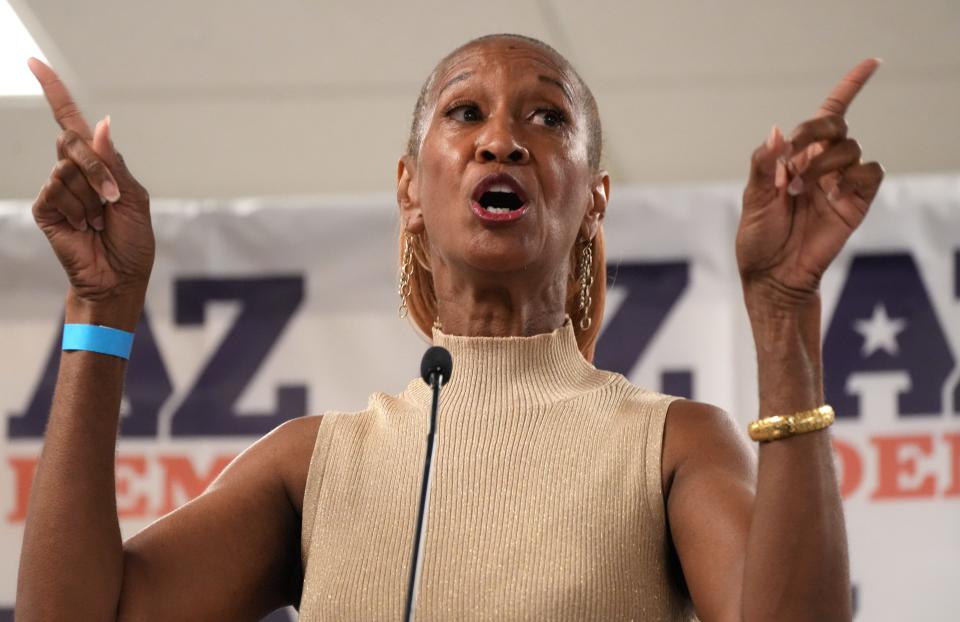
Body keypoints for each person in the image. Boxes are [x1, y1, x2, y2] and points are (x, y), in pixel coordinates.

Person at [15, 33, 883, 621]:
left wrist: (785, 313)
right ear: (409, 189)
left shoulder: (672, 445)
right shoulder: (312, 464)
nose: (501, 140)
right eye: (466, 113)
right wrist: (101, 309)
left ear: (595, 201)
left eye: (547, 118)